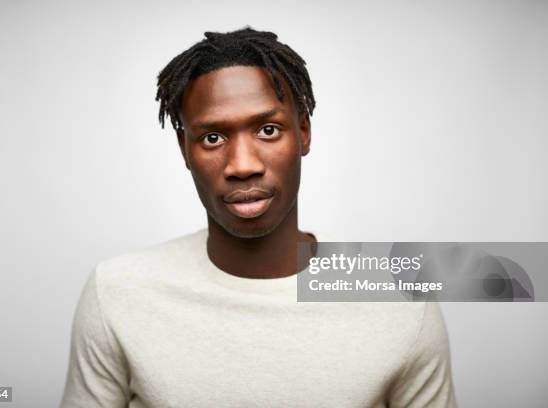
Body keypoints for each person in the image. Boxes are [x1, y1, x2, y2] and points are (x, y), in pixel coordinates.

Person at [60, 27, 457, 407]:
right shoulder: (117, 292)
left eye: (268, 130)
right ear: (185, 149)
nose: (243, 165)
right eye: (213, 137)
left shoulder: (402, 297)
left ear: (303, 131)